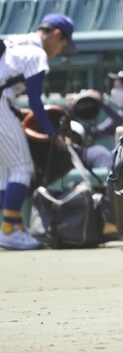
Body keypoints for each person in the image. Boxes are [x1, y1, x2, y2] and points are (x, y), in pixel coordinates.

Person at [0, 14, 75, 250]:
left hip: (5, 101)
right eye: (63, 44)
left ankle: (14, 226)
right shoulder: (36, 53)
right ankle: (9, 229)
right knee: (23, 168)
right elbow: (35, 101)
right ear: (55, 34)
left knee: (5, 173)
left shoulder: (15, 40)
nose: (61, 50)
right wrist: (52, 134)